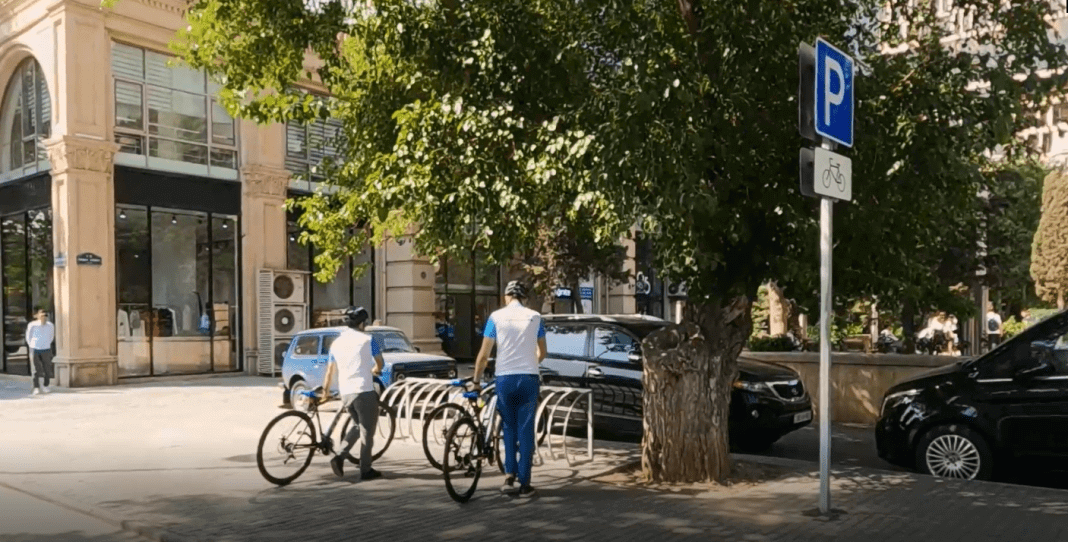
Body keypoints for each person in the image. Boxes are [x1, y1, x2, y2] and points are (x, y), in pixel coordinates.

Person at [471, 281, 547, 498]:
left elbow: (484, 355)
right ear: (523, 297)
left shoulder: (495, 317)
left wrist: (476, 380)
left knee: (508, 428)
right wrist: (532, 362)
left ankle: (509, 477)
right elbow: (543, 351)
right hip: (528, 378)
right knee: (525, 430)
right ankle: (525, 484)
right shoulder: (535, 317)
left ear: (506, 297)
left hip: (504, 377)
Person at [319, 306, 385, 481]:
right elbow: (380, 363)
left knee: (357, 426)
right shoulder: (369, 339)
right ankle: (365, 469)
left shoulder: (336, 343)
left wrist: (325, 392)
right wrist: (374, 370)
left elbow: (329, 371)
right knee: (367, 432)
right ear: (363, 323)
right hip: (364, 390)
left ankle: (339, 456)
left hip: (345, 392)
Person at [26, 308, 55, 396]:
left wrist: (46, 343)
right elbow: (28, 336)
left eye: (45, 316)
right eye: (42, 316)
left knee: (47, 368)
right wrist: (32, 345)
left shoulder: (50, 325)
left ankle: (46, 385)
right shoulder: (32, 325)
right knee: (35, 369)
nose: (44, 317)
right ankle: (36, 387)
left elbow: (51, 336)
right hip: (35, 348)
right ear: (38, 316)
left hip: (46, 348)